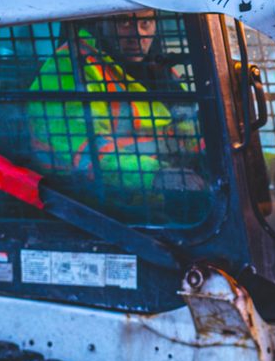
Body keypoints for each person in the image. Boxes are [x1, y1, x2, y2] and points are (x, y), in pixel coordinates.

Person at [21, 15, 205, 221]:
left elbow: (181, 131)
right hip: (88, 210)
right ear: (100, 21)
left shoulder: (158, 71)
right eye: (124, 22)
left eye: (146, 23)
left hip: (151, 203)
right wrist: (158, 175)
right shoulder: (69, 69)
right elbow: (85, 153)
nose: (138, 34)